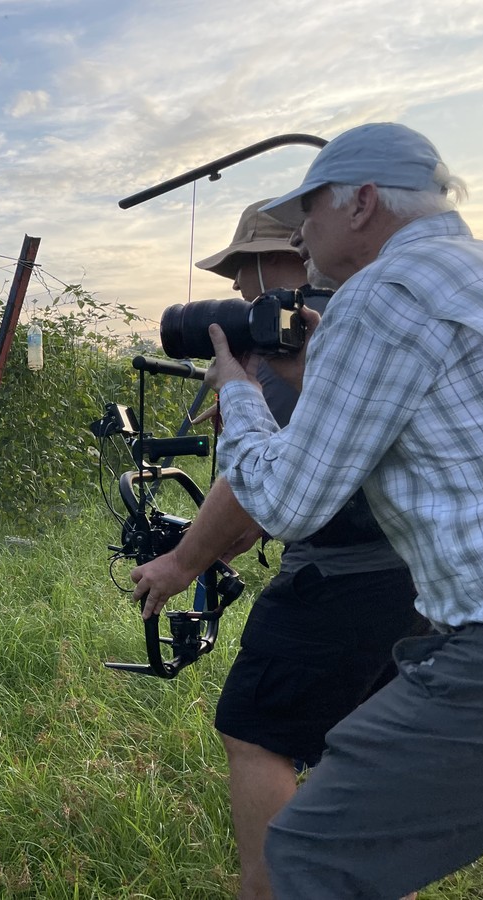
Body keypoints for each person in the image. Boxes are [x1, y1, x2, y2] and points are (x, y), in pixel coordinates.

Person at [201, 121, 483, 898]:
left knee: (311, 861)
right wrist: (323, 362)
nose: (300, 229)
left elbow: (289, 501)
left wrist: (241, 395)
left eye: (308, 210)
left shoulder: (384, 295)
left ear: (361, 202)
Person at [130, 200, 426, 900]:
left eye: (243, 272)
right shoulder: (375, 330)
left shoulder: (290, 339)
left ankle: (268, 889)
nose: (237, 291)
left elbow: (253, 487)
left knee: (255, 730)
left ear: (288, 260)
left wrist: (180, 564)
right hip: (415, 584)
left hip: (337, 579)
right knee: (362, 748)